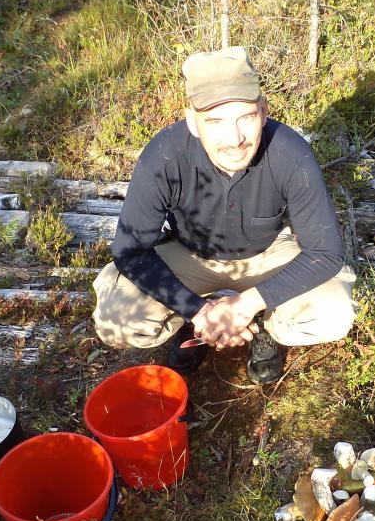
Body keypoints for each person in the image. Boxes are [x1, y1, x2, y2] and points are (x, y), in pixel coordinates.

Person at [92, 46, 356, 384]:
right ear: (192, 120)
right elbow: (130, 251)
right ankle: (192, 323)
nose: (234, 139)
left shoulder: (291, 153)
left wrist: (245, 307)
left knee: (332, 314)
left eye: (245, 117)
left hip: (268, 252)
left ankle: (263, 325)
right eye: (215, 121)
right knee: (116, 321)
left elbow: (326, 252)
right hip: (190, 254)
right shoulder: (164, 156)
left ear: (263, 111)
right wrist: (198, 311)